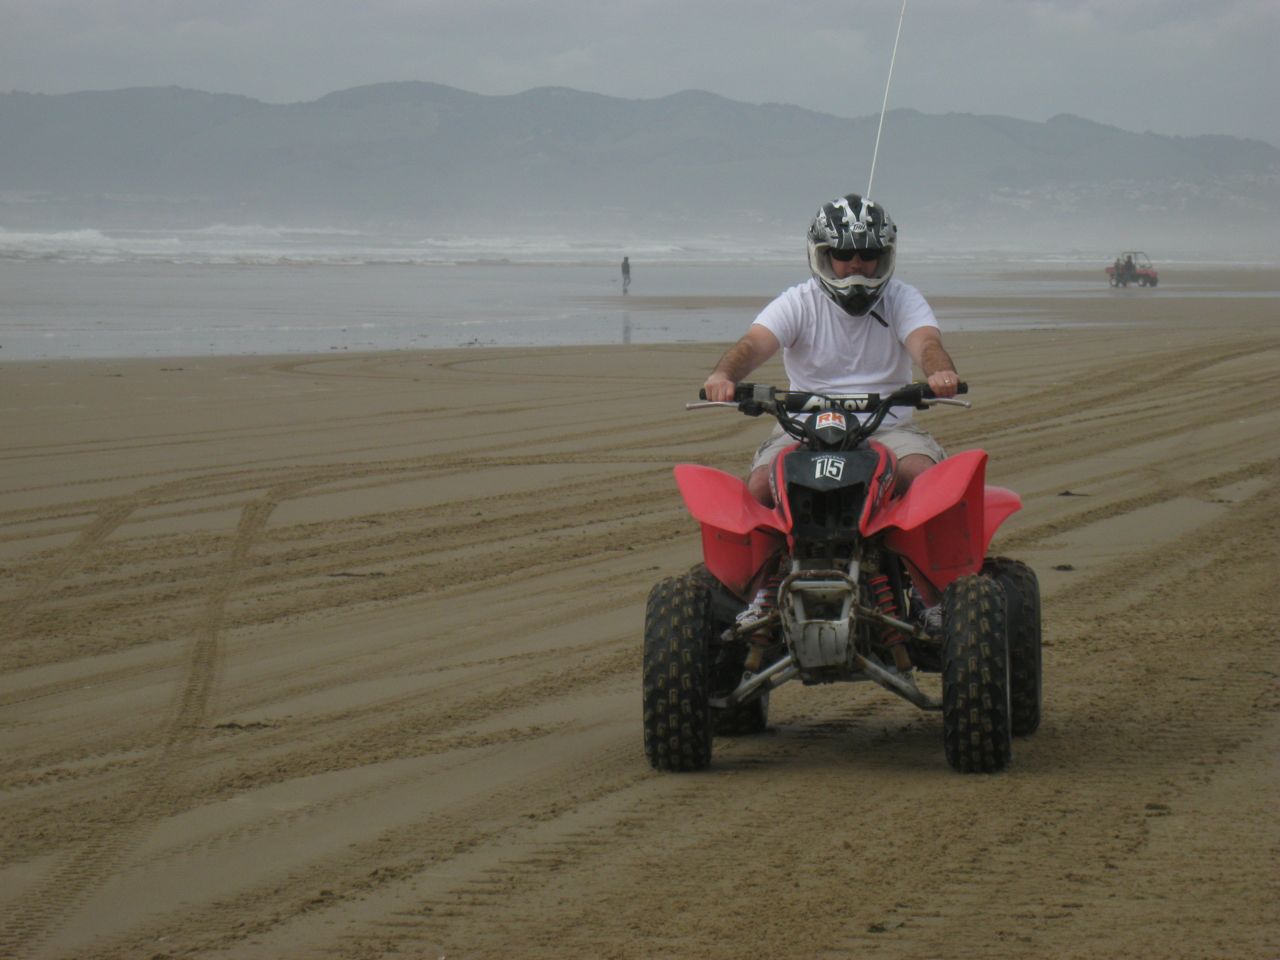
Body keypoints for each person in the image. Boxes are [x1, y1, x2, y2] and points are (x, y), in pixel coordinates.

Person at [702, 193, 960, 508]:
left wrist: (939, 372)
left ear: (884, 255)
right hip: (803, 429)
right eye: (844, 252)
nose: (856, 263)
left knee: (922, 476)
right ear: (823, 255)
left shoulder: (902, 299)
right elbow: (754, 343)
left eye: (867, 253)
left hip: (888, 427)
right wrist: (723, 375)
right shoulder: (798, 301)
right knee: (760, 490)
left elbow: (926, 342)